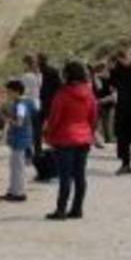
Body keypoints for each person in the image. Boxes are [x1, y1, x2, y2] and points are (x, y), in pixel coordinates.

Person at [44, 62, 98, 220]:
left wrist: (48, 135)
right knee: (80, 176)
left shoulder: (62, 94)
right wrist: (90, 133)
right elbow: (93, 116)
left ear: (66, 75)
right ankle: (77, 208)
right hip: (84, 138)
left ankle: (61, 210)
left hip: (65, 138)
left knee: (65, 177)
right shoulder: (89, 93)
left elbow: (55, 118)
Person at [1, 80, 34, 202]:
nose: (8, 94)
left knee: (18, 167)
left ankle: (19, 193)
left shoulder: (20, 105)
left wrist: (7, 118)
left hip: (19, 138)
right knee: (15, 166)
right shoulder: (21, 103)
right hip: (19, 139)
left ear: (16, 91)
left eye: (9, 91)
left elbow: (19, 122)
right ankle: (13, 190)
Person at [21, 55, 43, 158]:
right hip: (37, 102)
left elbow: (23, 91)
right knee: (37, 129)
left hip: (28, 102)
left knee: (27, 128)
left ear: (26, 63)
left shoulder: (26, 76)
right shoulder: (39, 75)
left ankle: (28, 152)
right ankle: (38, 150)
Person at [92, 62, 116, 144]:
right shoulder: (95, 79)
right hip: (98, 103)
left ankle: (108, 140)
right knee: (97, 123)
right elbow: (98, 89)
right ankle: (99, 140)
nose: (106, 72)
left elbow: (113, 93)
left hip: (107, 103)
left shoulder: (109, 80)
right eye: (104, 70)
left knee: (107, 123)